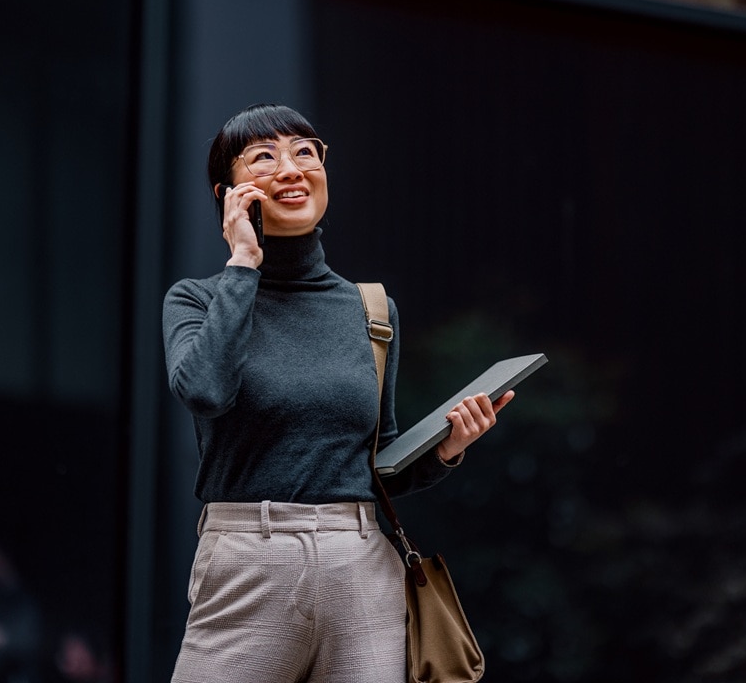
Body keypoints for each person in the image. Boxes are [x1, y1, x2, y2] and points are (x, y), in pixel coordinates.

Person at [162, 103, 514, 683]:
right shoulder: (199, 300)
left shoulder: (370, 309)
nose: (292, 168)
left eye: (306, 151)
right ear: (229, 193)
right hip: (250, 555)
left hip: (359, 561)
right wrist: (244, 262)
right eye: (265, 157)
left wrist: (449, 447)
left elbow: (381, 469)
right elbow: (203, 390)